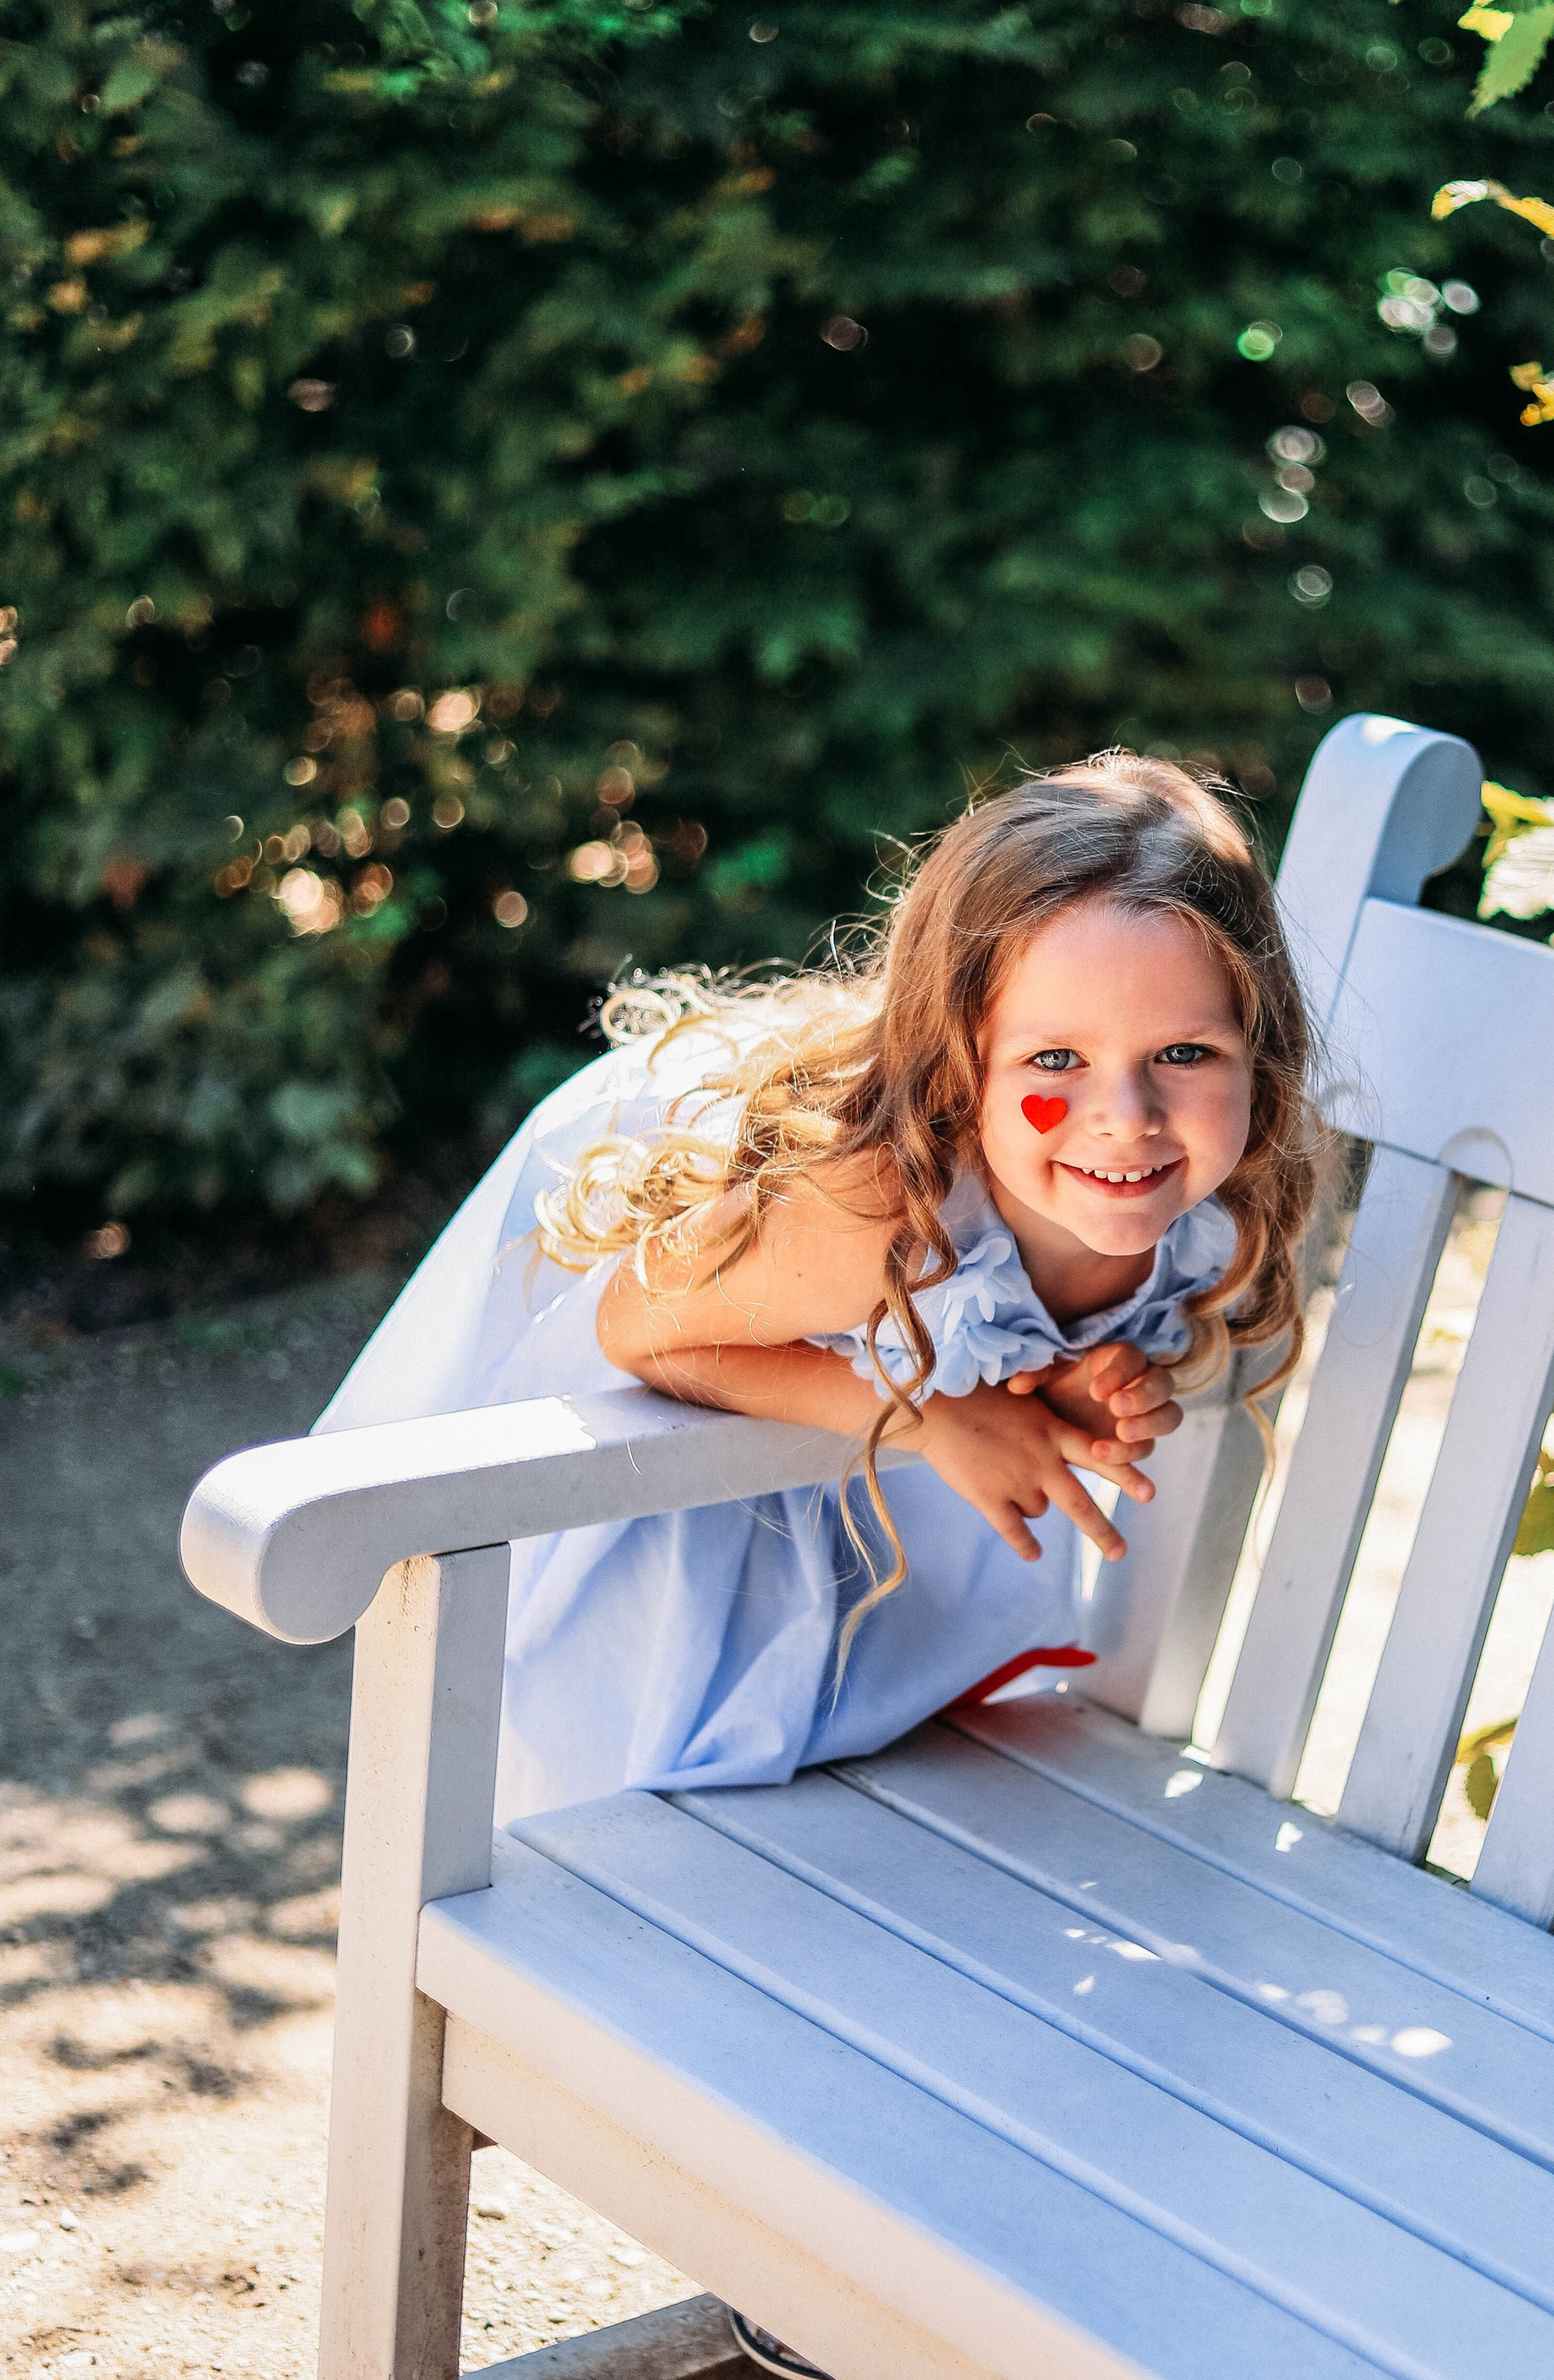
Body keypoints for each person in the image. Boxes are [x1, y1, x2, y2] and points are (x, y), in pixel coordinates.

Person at [320, 750, 1320, 1824]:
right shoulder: (870, 1209)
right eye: (1054, 1062)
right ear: (962, 1061)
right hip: (651, 1471)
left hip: (842, 1508)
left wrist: (1067, 1377)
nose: (1126, 1113)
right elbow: (638, 1334)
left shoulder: (1205, 1198)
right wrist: (937, 1418)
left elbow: (1014, 1321)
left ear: (1255, 1053)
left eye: (1181, 1051)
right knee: (625, 1801)